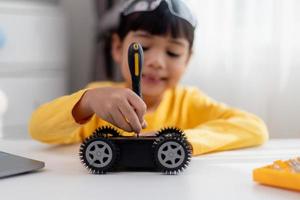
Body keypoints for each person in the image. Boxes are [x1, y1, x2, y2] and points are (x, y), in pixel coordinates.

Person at [29, 0, 268, 156]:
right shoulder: (99, 99)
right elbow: (38, 128)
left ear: (188, 59)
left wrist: (178, 140)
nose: (156, 62)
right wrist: (86, 103)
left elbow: (254, 127)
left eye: (173, 52)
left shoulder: (189, 102)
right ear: (116, 47)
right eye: (143, 47)